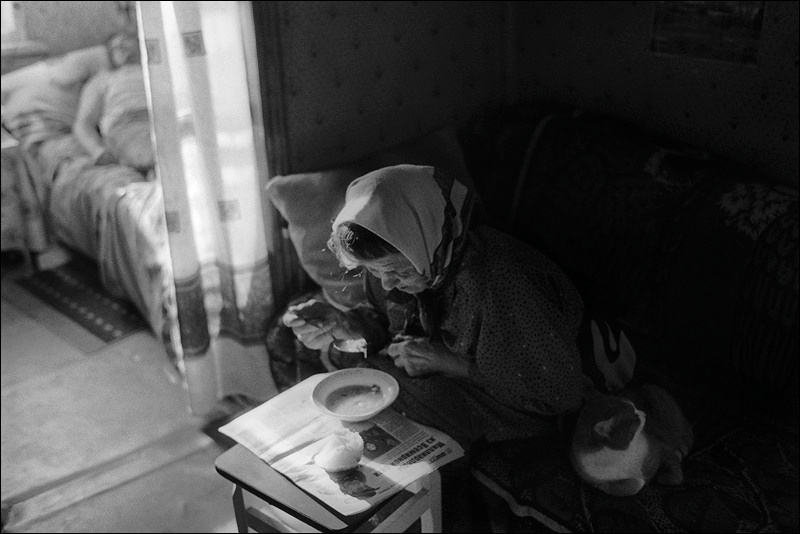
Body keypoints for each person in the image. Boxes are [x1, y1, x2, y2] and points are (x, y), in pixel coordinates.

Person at [282, 164, 585, 531]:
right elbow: (385, 321)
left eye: (397, 271)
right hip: (448, 372)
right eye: (375, 271)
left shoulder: (502, 284)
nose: (388, 283)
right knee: (360, 383)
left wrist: (455, 363)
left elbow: (559, 392)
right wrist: (346, 324)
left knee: (409, 410)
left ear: (426, 239)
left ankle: (434, 516)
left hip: (520, 397)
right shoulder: (411, 261)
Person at [73, 30, 154, 175]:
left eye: (125, 41)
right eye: (114, 48)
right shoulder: (103, 79)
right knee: (161, 154)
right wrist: (98, 151)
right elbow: (83, 124)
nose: (121, 47)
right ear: (110, 57)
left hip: (163, 118)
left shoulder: (157, 69)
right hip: (128, 125)